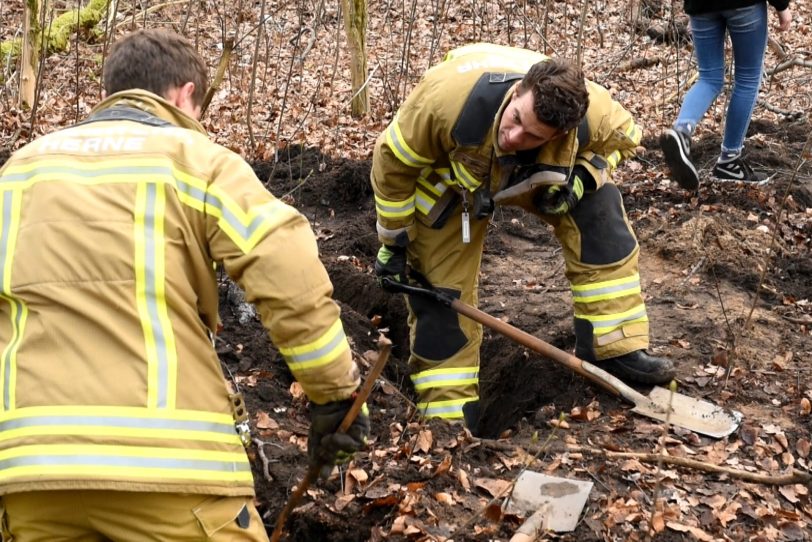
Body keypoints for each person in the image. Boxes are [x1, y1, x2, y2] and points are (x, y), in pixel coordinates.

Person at [0, 29, 369, 541]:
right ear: (185, 94)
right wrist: (335, 395)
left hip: (29, 475)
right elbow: (282, 259)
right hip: (171, 474)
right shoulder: (195, 159)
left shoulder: (16, 173)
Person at [371, 43, 675, 431]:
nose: (513, 137)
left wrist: (581, 180)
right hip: (453, 183)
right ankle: (448, 414)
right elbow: (392, 167)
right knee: (441, 293)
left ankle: (615, 346)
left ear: (561, 133)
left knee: (601, 214)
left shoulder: (594, 114)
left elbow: (624, 142)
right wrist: (393, 243)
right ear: (516, 93)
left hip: (532, 178)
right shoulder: (445, 102)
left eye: (532, 135)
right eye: (515, 119)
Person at [661, 0, 792, 188]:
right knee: (747, 79)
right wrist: (781, 6)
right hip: (745, 6)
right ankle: (729, 160)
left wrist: (692, 8)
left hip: (700, 7)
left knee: (708, 78)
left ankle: (681, 131)